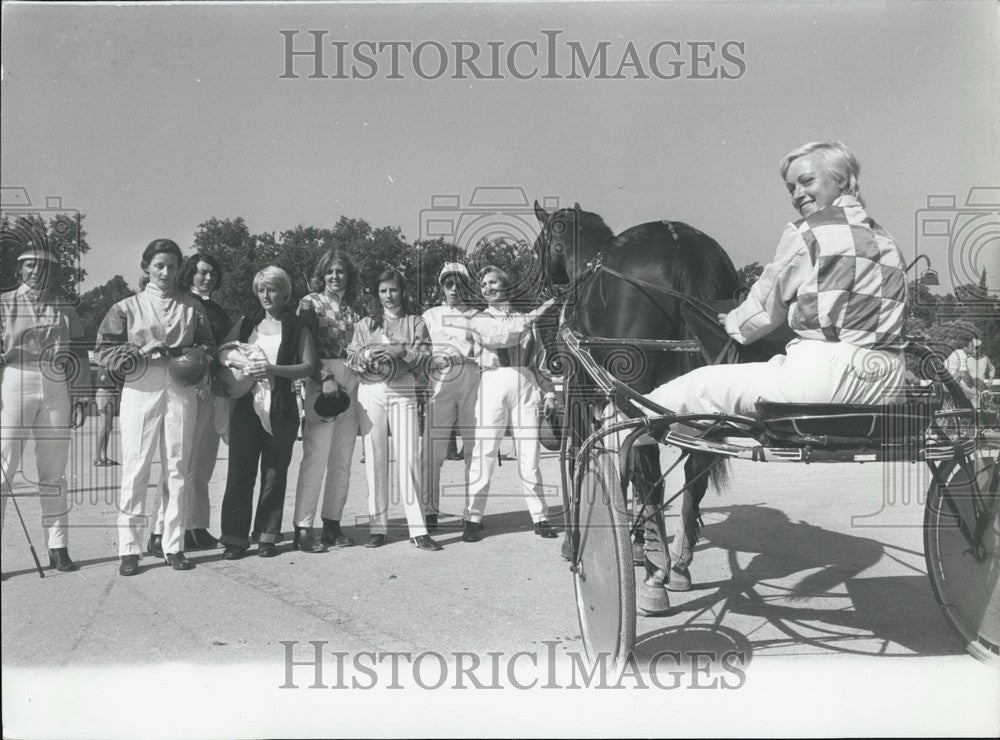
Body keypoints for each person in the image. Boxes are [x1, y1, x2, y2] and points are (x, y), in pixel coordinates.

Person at [642, 141, 908, 600]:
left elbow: (763, 310)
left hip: (823, 375)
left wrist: (731, 322)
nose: (797, 194)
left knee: (689, 389)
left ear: (841, 180)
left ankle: (621, 431)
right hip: (886, 380)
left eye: (806, 181)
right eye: (791, 188)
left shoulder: (807, 232)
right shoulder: (886, 239)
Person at [95, 239, 215, 576]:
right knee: (136, 467)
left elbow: (208, 345)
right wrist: (140, 351)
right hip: (140, 384)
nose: (165, 272)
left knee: (177, 467)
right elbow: (104, 351)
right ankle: (129, 549)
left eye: (172, 266)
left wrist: (192, 356)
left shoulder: (192, 307)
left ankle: (173, 545)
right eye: (159, 265)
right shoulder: (126, 307)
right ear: (146, 267)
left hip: (180, 386)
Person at [218, 266, 316, 559]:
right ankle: (234, 538)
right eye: (261, 290)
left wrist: (273, 369)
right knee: (239, 472)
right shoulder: (247, 323)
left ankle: (267, 535)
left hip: (282, 406)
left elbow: (308, 366)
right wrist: (238, 364)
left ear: (285, 293)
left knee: (274, 473)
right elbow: (223, 352)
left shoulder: (298, 326)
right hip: (246, 405)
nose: (266, 295)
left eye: (272, 289)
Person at [1, 246, 89, 572]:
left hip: (56, 382)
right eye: (29, 265)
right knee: (4, 468)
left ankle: (58, 547)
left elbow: (78, 353)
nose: (36, 271)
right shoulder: (4, 303)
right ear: (20, 269)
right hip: (16, 378)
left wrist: (80, 395)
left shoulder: (65, 308)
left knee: (54, 471)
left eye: (43, 266)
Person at [461, 265, 559, 543]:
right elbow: (500, 337)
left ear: (506, 286)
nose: (488, 288)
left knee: (530, 455)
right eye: (483, 285)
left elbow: (539, 360)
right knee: (485, 451)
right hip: (493, 380)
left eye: (493, 282)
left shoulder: (525, 320)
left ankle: (540, 517)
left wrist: (549, 392)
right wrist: (537, 313)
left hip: (526, 381)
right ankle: (472, 518)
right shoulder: (478, 318)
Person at [346, 269, 441, 551]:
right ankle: (378, 528)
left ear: (403, 291)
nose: (389, 296)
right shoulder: (365, 324)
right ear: (377, 294)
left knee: (409, 457)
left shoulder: (415, 322)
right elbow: (351, 356)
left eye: (393, 290)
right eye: (383, 291)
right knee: (375, 457)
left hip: (403, 388)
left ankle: (418, 529)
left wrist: (402, 351)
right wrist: (367, 355)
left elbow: (426, 357)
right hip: (371, 389)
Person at [149, 253, 232, 556]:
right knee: (179, 462)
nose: (207, 278)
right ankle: (160, 531)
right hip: (186, 386)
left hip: (212, 389)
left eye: (212, 273)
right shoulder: (181, 304)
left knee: (203, 463)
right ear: (189, 274)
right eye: (201, 273)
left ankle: (195, 525)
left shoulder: (217, 310)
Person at [291, 249, 363, 552]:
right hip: (324, 379)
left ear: (349, 275)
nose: (335, 276)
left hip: (353, 378)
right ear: (322, 274)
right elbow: (304, 344)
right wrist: (324, 376)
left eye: (341, 271)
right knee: (316, 454)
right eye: (330, 271)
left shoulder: (355, 309)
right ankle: (303, 527)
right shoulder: (310, 303)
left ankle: (332, 523)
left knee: (342, 458)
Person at [420, 261, 480, 531]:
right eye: (449, 283)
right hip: (440, 379)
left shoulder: (478, 315)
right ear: (442, 286)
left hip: (471, 377)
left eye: (459, 283)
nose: (454, 289)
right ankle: (428, 509)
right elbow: (421, 350)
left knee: (474, 449)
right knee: (432, 449)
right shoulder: (430, 315)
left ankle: (473, 513)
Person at [93, 367, 122, 467]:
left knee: (108, 428)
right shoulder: (106, 364)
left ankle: (103, 456)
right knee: (104, 427)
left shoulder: (114, 364)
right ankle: (97, 458)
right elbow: (103, 379)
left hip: (112, 394)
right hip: (105, 394)